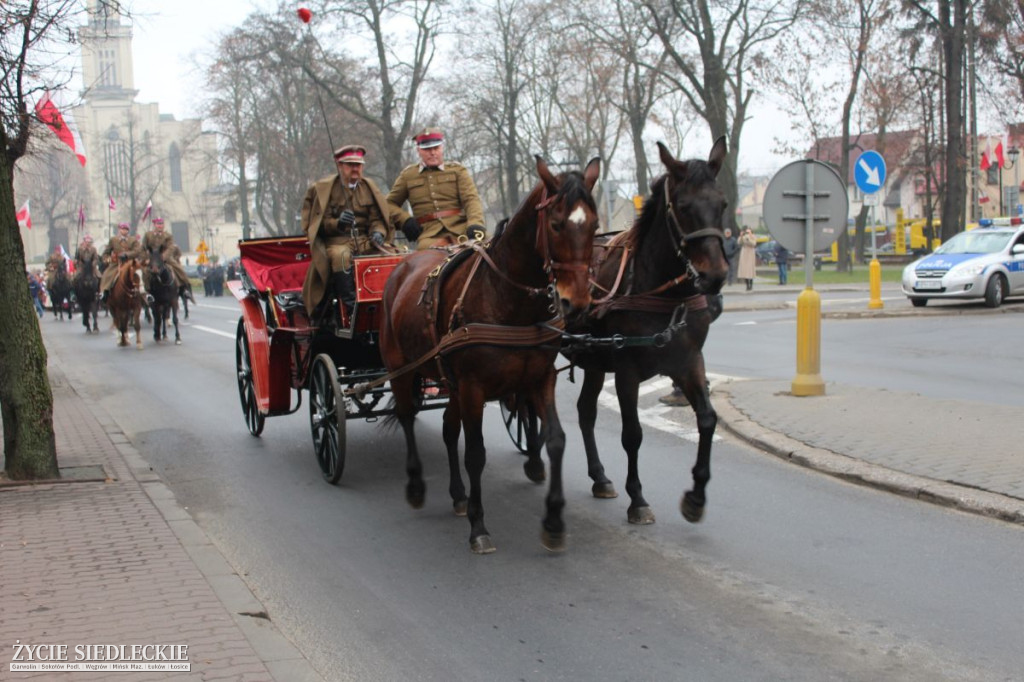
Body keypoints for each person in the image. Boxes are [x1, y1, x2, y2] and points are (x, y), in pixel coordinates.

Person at [301, 144, 393, 321]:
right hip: (337, 241)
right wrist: (338, 223)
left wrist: (378, 233)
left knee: (393, 254)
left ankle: (387, 302)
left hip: (366, 240)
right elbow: (316, 224)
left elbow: (377, 219)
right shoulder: (324, 189)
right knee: (341, 257)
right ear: (340, 166)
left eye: (358, 165)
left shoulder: (369, 187)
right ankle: (351, 307)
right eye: (350, 165)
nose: (355, 169)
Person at [386, 127, 486, 249]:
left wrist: (475, 224)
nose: (432, 152)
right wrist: (405, 220)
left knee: (491, 252)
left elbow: (471, 199)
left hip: (462, 230)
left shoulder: (457, 171)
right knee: (425, 262)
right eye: (427, 149)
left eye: (436, 148)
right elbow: (388, 204)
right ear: (419, 150)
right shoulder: (408, 175)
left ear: (442, 148)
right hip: (429, 235)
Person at [141, 217, 194, 303]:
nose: (160, 226)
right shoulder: (148, 235)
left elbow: (171, 247)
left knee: (179, 269)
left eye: (161, 224)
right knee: (143, 272)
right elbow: (143, 248)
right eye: (158, 224)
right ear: (154, 225)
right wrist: (145, 259)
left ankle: (184, 289)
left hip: (165, 258)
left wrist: (163, 257)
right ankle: (146, 292)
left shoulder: (168, 236)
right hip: (152, 259)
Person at [100, 222, 143, 302]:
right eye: (123, 229)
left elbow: (137, 251)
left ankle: (144, 293)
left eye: (126, 229)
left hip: (130, 263)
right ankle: (104, 291)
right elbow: (106, 253)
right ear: (119, 230)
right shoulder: (113, 240)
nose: (124, 231)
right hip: (117, 263)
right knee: (107, 274)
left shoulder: (133, 240)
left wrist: (127, 255)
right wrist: (108, 259)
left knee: (140, 273)